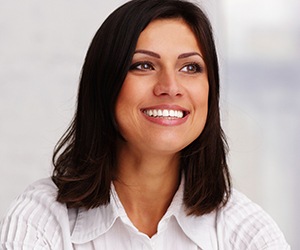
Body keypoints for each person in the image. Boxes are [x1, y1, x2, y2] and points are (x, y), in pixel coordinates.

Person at [0, 0, 290, 249]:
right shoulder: (40, 218)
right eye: (144, 65)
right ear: (105, 84)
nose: (170, 86)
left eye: (190, 67)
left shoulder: (249, 233)